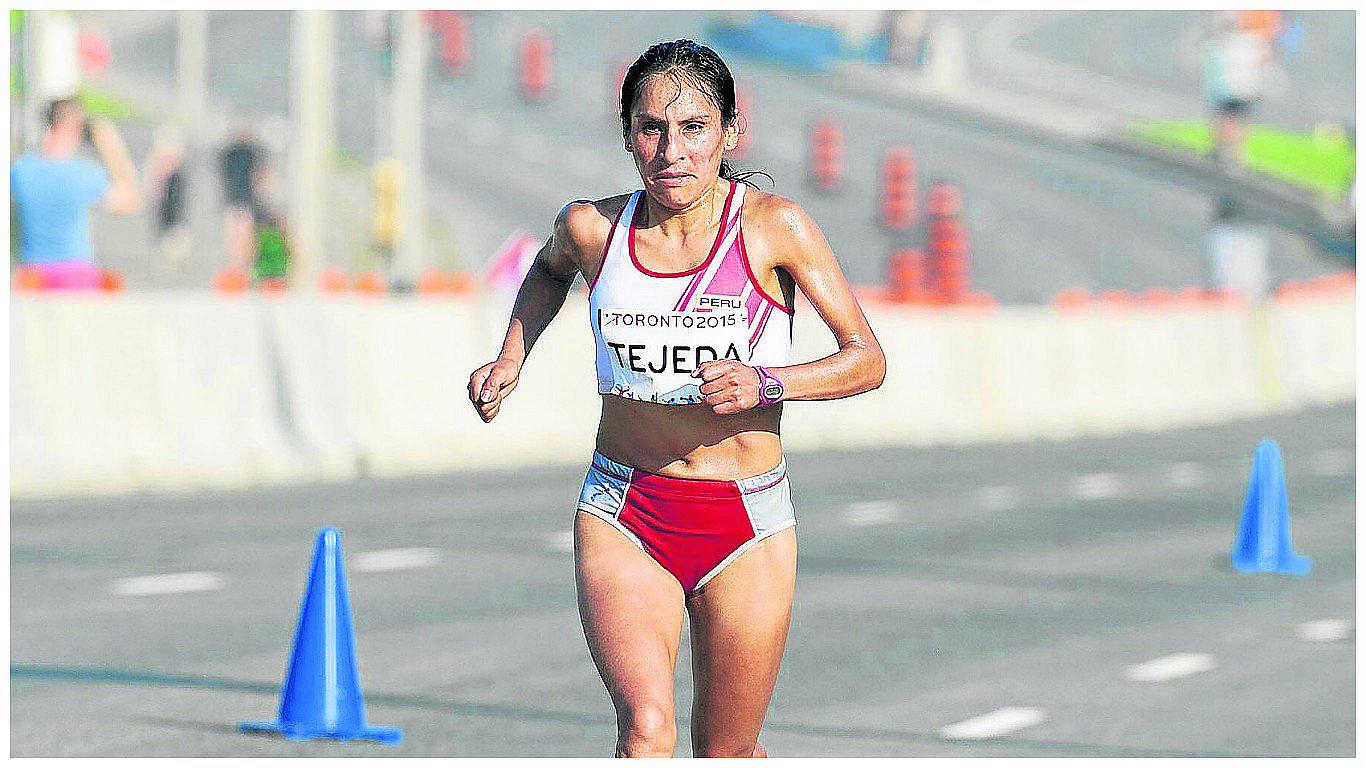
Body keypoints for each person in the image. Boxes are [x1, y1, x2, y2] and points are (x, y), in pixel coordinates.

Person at [467, 39, 886, 757]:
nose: (671, 150)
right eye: (650, 128)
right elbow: (546, 271)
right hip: (625, 511)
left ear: (729, 132)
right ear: (628, 135)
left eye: (693, 128)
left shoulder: (772, 227)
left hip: (746, 520)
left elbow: (867, 359)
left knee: (725, 751)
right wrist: (512, 356)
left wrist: (770, 380)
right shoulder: (593, 227)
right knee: (646, 731)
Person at [10, 98, 139, 289]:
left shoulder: (21, 170)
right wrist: (110, 144)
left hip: (34, 277)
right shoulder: (86, 174)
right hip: (77, 276)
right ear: (78, 129)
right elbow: (130, 200)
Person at [218, 123, 263, 271]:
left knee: (241, 236)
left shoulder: (247, 153)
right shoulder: (237, 153)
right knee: (238, 236)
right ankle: (238, 266)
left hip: (242, 202)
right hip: (238, 202)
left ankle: (239, 266)